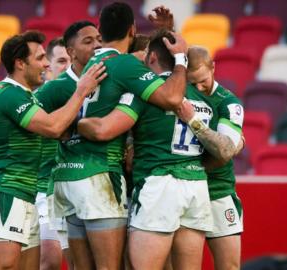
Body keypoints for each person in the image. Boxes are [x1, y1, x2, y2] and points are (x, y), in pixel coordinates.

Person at [50, 2, 189, 270]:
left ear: (100, 34)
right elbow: (172, 96)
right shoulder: (125, 65)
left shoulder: (86, 64)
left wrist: (166, 32)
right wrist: (181, 59)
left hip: (67, 177)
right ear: (132, 29)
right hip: (99, 175)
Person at [77, 30, 214, 270]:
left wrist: (78, 121)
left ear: (150, 58)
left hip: (160, 186)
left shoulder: (145, 93)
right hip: (196, 188)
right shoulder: (199, 94)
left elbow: (104, 130)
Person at [0, 30, 106, 270]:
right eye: (40, 58)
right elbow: (54, 127)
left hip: (26, 194)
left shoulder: (27, 97)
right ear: (20, 63)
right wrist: (81, 90)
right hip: (5, 192)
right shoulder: (7, 92)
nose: (46, 64)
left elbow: (57, 127)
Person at [35, 20, 102, 270]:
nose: (96, 46)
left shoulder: (109, 80)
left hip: (106, 182)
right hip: (56, 186)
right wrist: (56, 130)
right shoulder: (51, 91)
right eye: (59, 61)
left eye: (99, 40)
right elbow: (28, 131)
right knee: (53, 260)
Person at [178, 45, 245, 270]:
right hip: (184, 191)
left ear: (213, 67)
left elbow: (225, 151)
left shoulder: (229, 103)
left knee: (230, 267)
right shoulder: (178, 93)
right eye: (192, 82)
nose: (198, 87)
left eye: (203, 80)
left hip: (218, 190)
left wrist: (193, 121)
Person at [36, 37, 72, 270]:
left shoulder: (87, 98)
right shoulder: (35, 101)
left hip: (76, 186)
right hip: (42, 189)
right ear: (48, 66)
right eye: (61, 61)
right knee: (49, 259)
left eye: (71, 60)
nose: (67, 66)